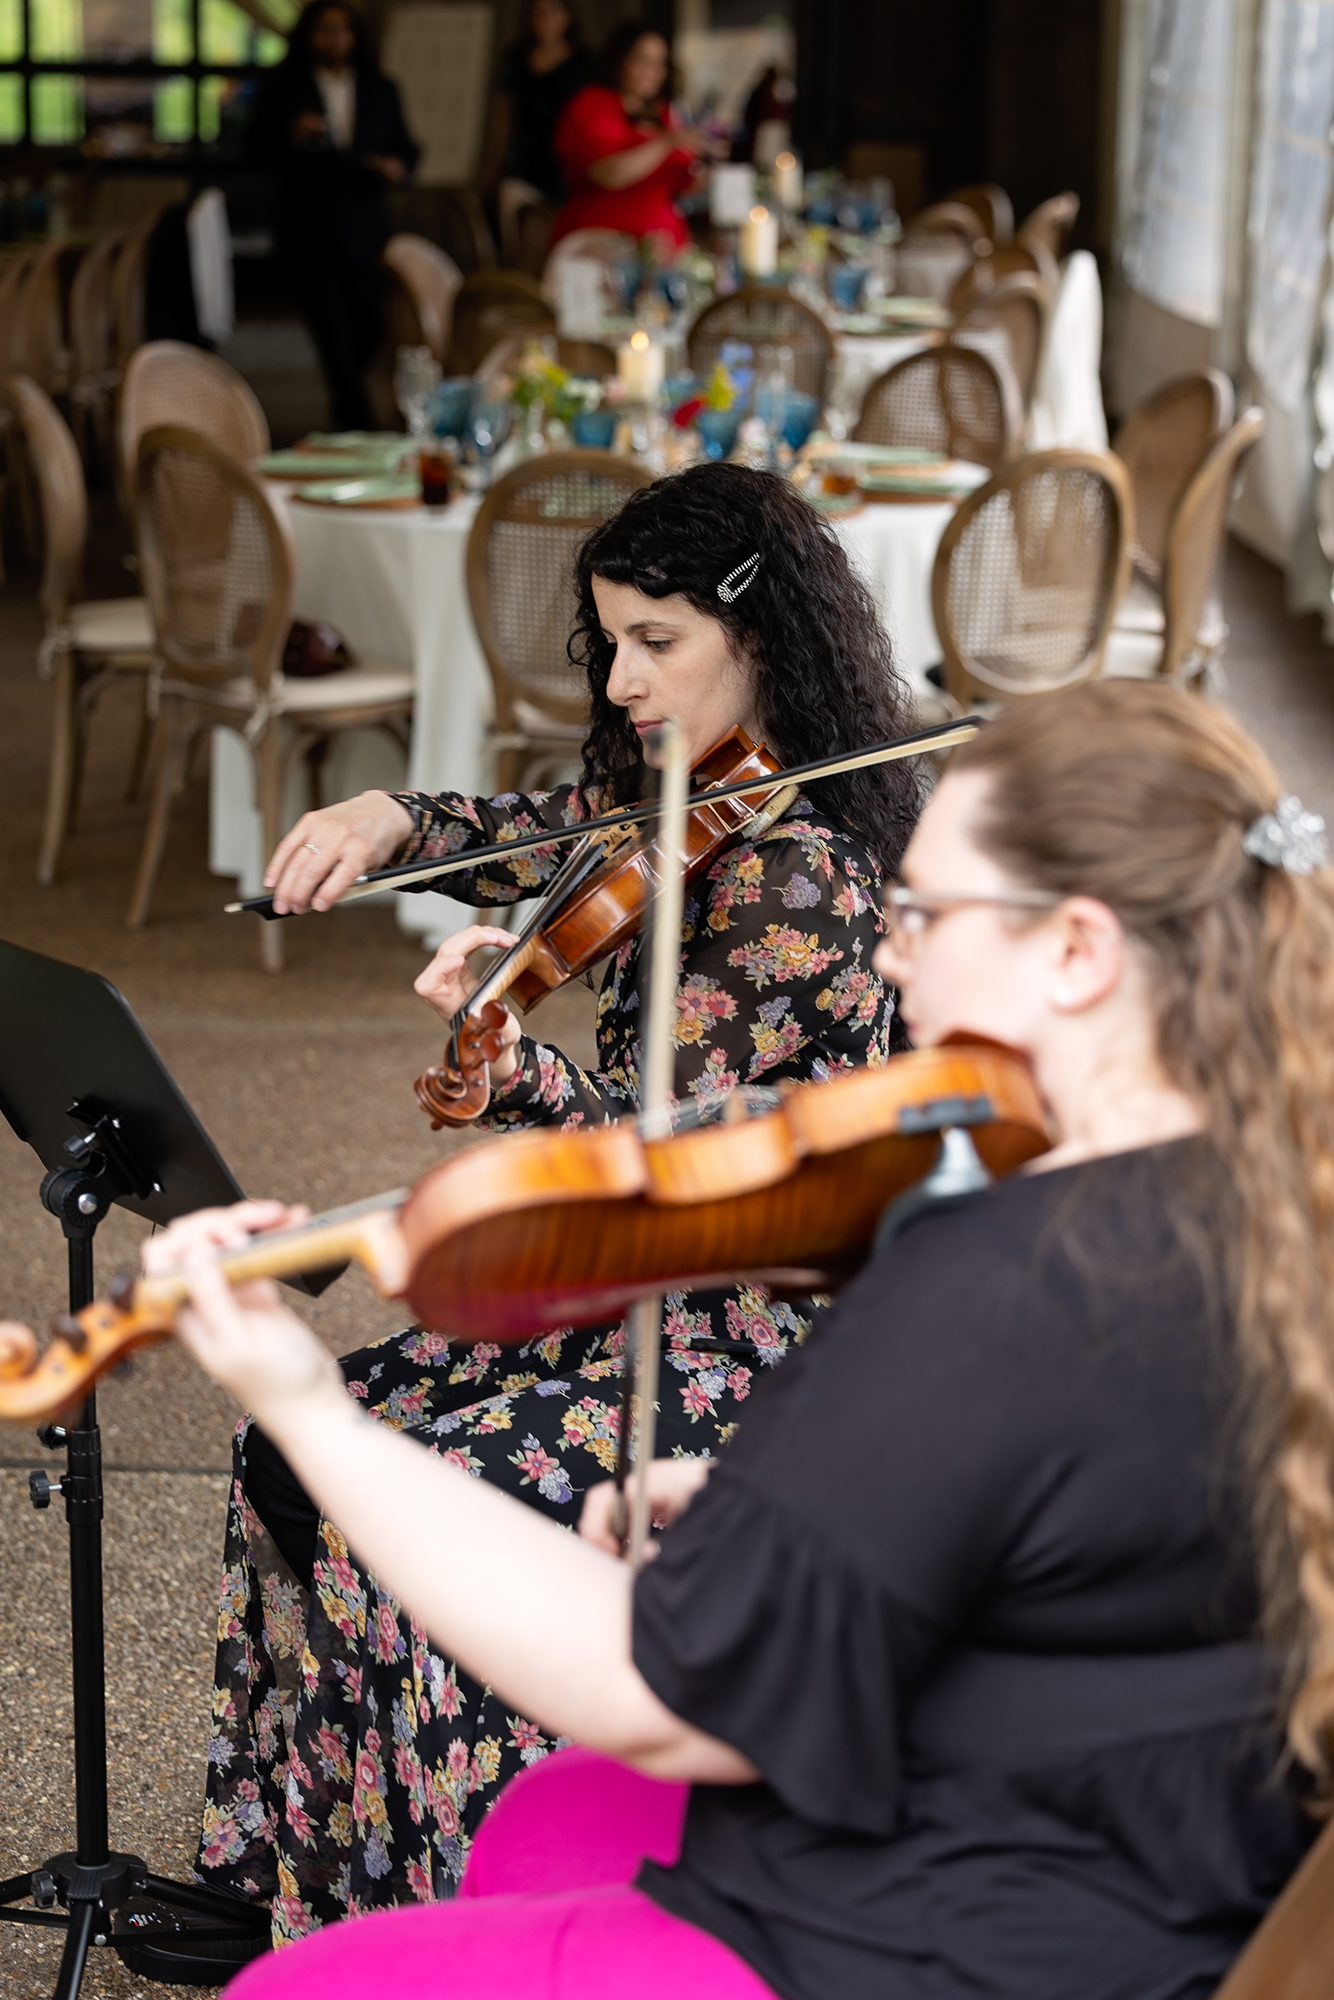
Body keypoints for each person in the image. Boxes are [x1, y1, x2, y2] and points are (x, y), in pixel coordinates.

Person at [118, 679, 1334, 1999]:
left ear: (1077, 952)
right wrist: (783, 1510)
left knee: (286, 1992)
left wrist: (303, 1403)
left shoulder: (996, 1281)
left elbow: (646, 1690)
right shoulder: (1267, 1204)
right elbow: (1113, 1528)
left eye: (923, 913)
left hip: (941, 1936)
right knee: (542, 1818)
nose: (888, 954)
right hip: (1163, 1866)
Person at [188, 464, 922, 1939]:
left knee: (424, 1498)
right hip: (645, 1286)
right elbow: (541, 827)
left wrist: (518, 1072)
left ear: (759, 632)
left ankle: (486, 1909)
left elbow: (667, 1171)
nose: (625, 680)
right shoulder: (678, 796)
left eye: (657, 642)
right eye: (609, 644)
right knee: (299, 1453)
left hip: (759, 1328)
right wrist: (396, 817)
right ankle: (293, 1881)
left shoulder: (801, 882)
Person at [250, 0, 419, 431]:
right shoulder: (284, 87)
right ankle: (356, 424)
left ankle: (350, 408)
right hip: (309, 226)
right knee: (333, 333)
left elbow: (407, 147)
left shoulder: (381, 88)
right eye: (325, 29)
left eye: (343, 29)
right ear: (309, 34)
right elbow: (252, 149)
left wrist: (395, 167)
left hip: (364, 225)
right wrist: (293, 134)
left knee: (371, 325)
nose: (335, 39)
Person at [549, 21, 724, 251]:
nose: (652, 71)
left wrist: (715, 177)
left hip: (662, 245)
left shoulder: (664, 114)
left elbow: (678, 184)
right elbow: (607, 173)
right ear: (620, 60)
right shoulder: (591, 105)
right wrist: (668, 141)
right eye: (642, 60)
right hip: (600, 244)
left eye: (659, 63)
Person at [481, 0, 594, 210]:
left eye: (553, 12)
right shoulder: (515, 58)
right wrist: (493, 165)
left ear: (569, 16)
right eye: (539, 14)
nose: (546, 20)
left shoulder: (585, 63)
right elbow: (504, 116)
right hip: (522, 159)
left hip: (564, 161)